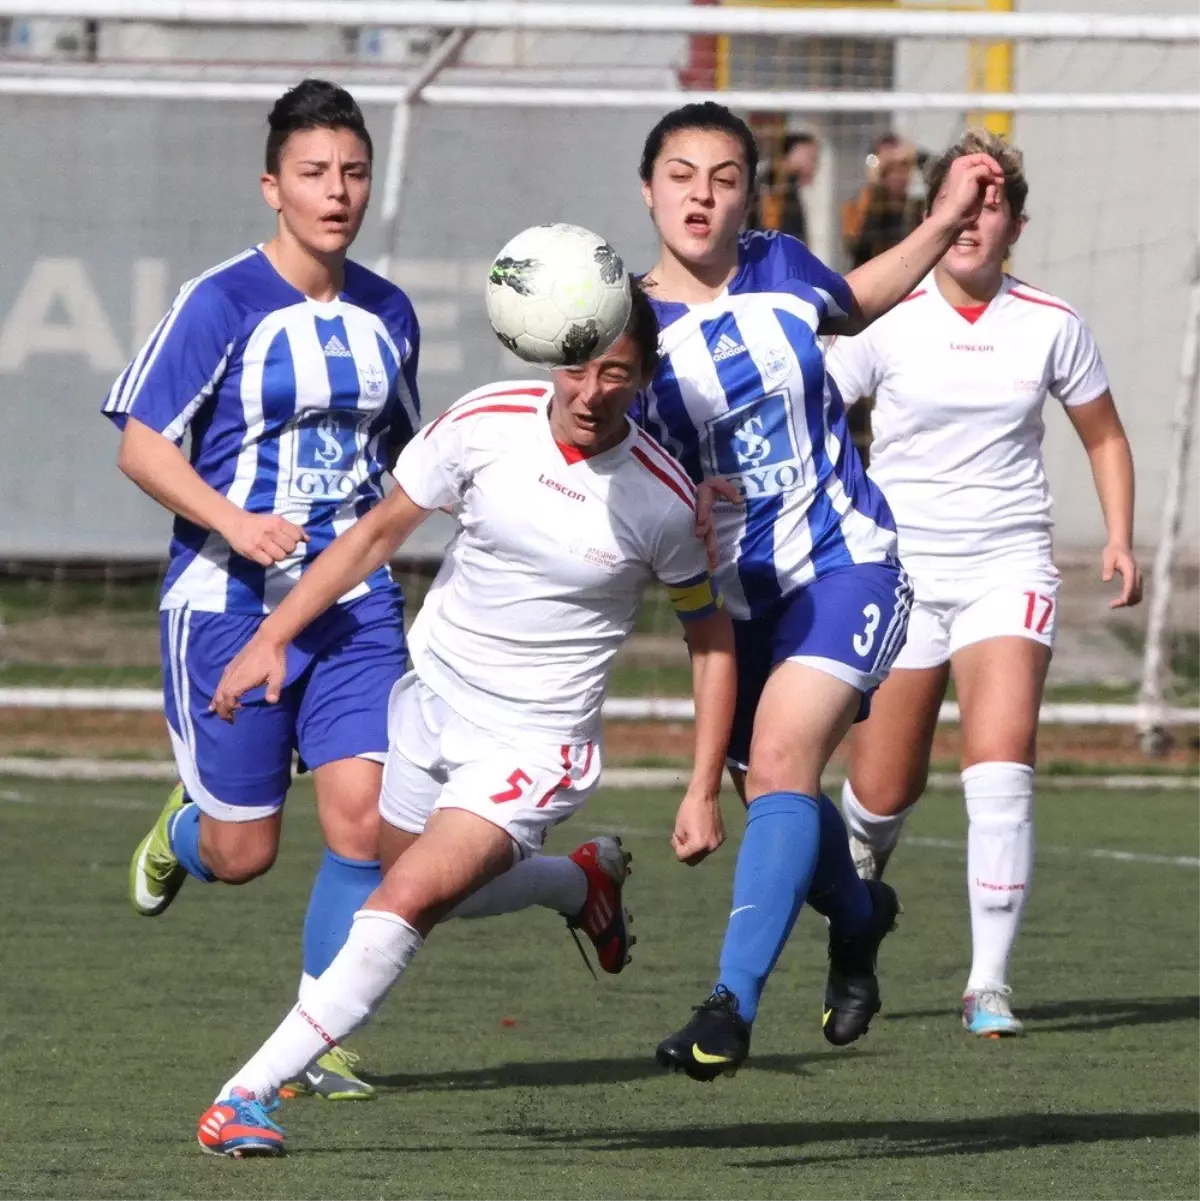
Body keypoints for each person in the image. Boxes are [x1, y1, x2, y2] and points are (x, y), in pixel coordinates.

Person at [191, 287, 738, 1157]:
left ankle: (245, 1094)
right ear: (548, 353)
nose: (592, 390)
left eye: (617, 374)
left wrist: (703, 785)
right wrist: (271, 639)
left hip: (536, 744)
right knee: (413, 882)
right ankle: (577, 883)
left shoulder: (664, 501)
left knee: (401, 901)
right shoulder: (484, 421)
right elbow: (373, 536)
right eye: (577, 365)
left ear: (643, 380)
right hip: (432, 701)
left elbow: (710, 639)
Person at [631, 101, 1006, 1081]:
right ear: (648, 189)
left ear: (749, 192)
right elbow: (601, 443)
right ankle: (860, 913)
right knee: (781, 805)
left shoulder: (783, 266)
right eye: (681, 174)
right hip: (734, 602)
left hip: (847, 563)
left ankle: (729, 1006)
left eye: (722, 176)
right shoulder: (623, 323)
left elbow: (856, 296)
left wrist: (942, 215)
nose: (700, 195)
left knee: (784, 756)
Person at [102, 80, 422, 1101]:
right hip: (227, 601)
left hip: (354, 607)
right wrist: (234, 522)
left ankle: (317, 1036)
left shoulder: (389, 312)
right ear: (272, 187)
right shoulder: (221, 301)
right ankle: (182, 832)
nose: (338, 192)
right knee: (243, 852)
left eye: (353, 172)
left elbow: (406, 462)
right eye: (315, 173)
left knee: (366, 822)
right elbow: (143, 444)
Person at [825, 129, 1142, 1037]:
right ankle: (856, 918)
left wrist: (1118, 535)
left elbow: (1106, 437)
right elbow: (814, 410)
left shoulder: (1052, 323)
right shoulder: (884, 318)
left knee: (1001, 770)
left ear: (1015, 224)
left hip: (1008, 565)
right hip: (900, 573)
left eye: (991, 200)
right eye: (960, 198)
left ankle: (989, 984)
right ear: (935, 213)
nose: (974, 217)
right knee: (881, 793)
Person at [841, 133, 924, 269]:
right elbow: (857, 248)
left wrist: (917, 156)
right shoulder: (858, 205)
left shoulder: (916, 207)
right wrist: (876, 189)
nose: (899, 176)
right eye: (890, 169)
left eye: (904, 167)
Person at [751, 130, 820, 243]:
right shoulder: (773, 185)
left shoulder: (788, 186)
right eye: (811, 157)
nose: (814, 164)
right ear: (791, 153)